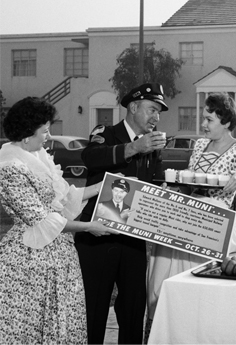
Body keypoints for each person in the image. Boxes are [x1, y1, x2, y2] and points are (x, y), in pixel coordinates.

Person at [0, 97, 112, 344]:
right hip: (29, 258)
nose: (48, 136)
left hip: (59, 254)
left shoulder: (39, 155)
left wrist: (104, 186)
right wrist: (88, 227)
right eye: (45, 130)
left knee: (61, 319)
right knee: (30, 323)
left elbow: (66, 198)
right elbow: (41, 220)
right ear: (27, 134)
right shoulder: (10, 167)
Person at [145, 92, 236, 339]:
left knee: (205, 294)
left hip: (216, 228)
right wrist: (173, 187)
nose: (203, 125)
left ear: (226, 122)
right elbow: (190, 184)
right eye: (203, 119)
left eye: (209, 119)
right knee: (165, 287)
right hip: (185, 223)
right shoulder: (198, 146)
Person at [75, 83, 168, 344]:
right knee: (93, 307)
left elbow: (154, 183)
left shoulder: (153, 144)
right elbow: (91, 158)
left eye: (159, 112)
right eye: (152, 109)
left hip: (133, 237)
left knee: (133, 308)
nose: (156, 117)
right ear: (133, 107)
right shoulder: (106, 132)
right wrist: (135, 148)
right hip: (98, 235)